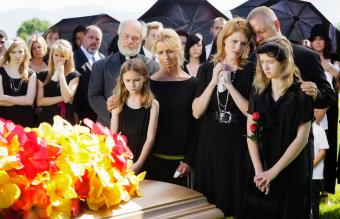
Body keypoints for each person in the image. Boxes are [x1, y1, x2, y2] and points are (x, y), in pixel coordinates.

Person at [242, 37, 313, 218]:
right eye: (262, 62)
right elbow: (251, 132)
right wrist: (259, 171)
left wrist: (273, 172)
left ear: (284, 62)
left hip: (291, 168)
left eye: (270, 62)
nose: (265, 67)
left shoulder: (301, 93)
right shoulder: (258, 91)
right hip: (261, 165)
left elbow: (302, 138)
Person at [192, 17, 253, 217]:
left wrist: (229, 86)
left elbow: (250, 112)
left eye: (243, 43)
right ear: (224, 39)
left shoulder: (251, 71)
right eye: (234, 41)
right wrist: (212, 83)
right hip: (209, 143)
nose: (238, 47)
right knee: (208, 203)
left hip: (238, 144)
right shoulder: (206, 69)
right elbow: (197, 112)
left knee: (235, 200)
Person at [247, 6, 334, 109]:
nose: (257, 39)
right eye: (254, 34)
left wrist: (315, 93)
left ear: (276, 25)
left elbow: (329, 96)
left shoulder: (306, 56)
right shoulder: (252, 60)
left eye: (261, 31)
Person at [147, 28, 197, 187]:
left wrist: (189, 159)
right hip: (153, 161)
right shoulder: (148, 84)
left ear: (178, 50)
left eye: (169, 51)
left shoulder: (193, 84)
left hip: (182, 164)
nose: (166, 57)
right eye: (160, 52)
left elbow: (198, 126)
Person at [88, 20, 159, 128]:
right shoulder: (100, 66)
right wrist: (113, 114)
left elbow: (155, 97)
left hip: (140, 129)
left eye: (135, 38)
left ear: (142, 40)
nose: (130, 41)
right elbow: (94, 96)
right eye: (126, 36)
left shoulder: (153, 67)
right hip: (107, 128)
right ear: (119, 35)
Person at [110, 58, 159, 174]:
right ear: (122, 80)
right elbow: (113, 136)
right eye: (127, 80)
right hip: (122, 158)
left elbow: (150, 138)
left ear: (145, 78)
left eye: (136, 80)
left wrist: (139, 164)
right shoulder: (118, 102)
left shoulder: (153, 104)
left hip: (143, 157)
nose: (132, 85)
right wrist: (120, 160)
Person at [309, 24, 339, 200]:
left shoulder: (334, 59)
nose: (318, 42)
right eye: (315, 39)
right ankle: (312, 187)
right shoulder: (306, 57)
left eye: (321, 39)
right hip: (311, 106)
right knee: (312, 147)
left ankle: (325, 191)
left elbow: (338, 80)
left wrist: (326, 65)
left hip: (330, 108)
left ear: (326, 42)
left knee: (327, 147)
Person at [36, 39, 80, 125]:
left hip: (65, 119)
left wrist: (61, 75)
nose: (59, 59)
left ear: (68, 57)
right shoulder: (43, 74)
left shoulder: (74, 75)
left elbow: (67, 98)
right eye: (56, 55)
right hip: (46, 119)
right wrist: (62, 98)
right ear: (51, 55)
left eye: (62, 56)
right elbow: (39, 101)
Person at [0, 37, 36, 127]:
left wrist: (5, 97)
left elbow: (29, 101)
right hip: (4, 121)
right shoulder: (1, 71)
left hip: (25, 120)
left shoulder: (31, 74)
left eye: (20, 51)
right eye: (13, 52)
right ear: (8, 53)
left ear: (25, 53)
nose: (17, 55)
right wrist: (22, 100)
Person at [73, 25, 105, 123]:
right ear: (83, 38)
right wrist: (74, 111)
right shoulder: (72, 58)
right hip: (81, 113)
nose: (94, 41)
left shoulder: (104, 58)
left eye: (97, 39)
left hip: (102, 114)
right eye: (91, 37)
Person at [311, 109, 329, 219]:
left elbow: (323, 151)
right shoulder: (297, 129)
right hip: (301, 175)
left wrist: (311, 165)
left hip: (315, 176)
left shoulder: (319, 130)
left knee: (314, 203)